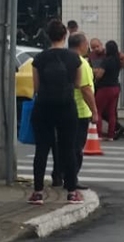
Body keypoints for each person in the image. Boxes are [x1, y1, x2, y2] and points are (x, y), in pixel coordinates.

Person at [28, 20, 85, 205]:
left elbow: (35, 87)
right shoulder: (74, 58)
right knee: (68, 148)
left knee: (42, 149)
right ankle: (71, 192)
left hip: (43, 106)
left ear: (47, 36)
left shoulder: (39, 59)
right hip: (66, 106)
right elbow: (77, 84)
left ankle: (37, 192)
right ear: (65, 36)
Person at [68, 33, 99, 189]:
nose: (88, 46)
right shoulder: (82, 63)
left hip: (65, 110)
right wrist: (95, 111)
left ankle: (61, 176)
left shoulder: (64, 59)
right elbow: (86, 89)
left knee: (65, 147)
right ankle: (72, 180)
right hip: (80, 112)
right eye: (86, 43)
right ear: (81, 44)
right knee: (76, 149)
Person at [94, 40, 122, 140]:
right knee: (111, 113)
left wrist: (95, 73)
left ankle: (98, 134)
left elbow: (99, 75)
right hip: (115, 87)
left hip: (105, 88)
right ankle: (111, 135)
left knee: (98, 111)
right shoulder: (118, 60)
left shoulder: (106, 60)